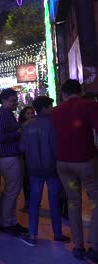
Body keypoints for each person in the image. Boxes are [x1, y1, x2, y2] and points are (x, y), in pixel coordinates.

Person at [52, 79, 98, 261]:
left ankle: (78, 246)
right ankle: (94, 246)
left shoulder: (56, 111)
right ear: (80, 91)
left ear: (63, 94)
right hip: (85, 162)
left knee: (73, 202)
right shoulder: (90, 106)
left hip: (63, 165)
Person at [19, 96, 70, 246]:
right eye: (50, 106)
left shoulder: (28, 126)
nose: (52, 108)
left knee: (34, 202)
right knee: (54, 201)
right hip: (53, 168)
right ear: (45, 108)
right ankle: (58, 234)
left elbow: (21, 147)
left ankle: (32, 235)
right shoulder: (55, 124)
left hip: (34, 169)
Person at [0, 88, 29, 236]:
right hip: (7, 157)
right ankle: (6, 223)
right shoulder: (0, 116)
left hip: (11, 156)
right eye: (13, 100)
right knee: (11, 191)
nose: (16, 103)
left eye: (16, 99)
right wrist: (18, 132)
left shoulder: (7, 115)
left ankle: (11, 221)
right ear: (3, 101)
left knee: (13, 191)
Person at [18, 106, 35, 210]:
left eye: (32, 113)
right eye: (28, 113)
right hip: (25, 154)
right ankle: (28, 201)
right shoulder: (23, 125)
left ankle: (31, 199)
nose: (30, 115)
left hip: (33, 153)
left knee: (32, 177)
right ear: (23, 115)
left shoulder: (35, 124)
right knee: (27, 178)